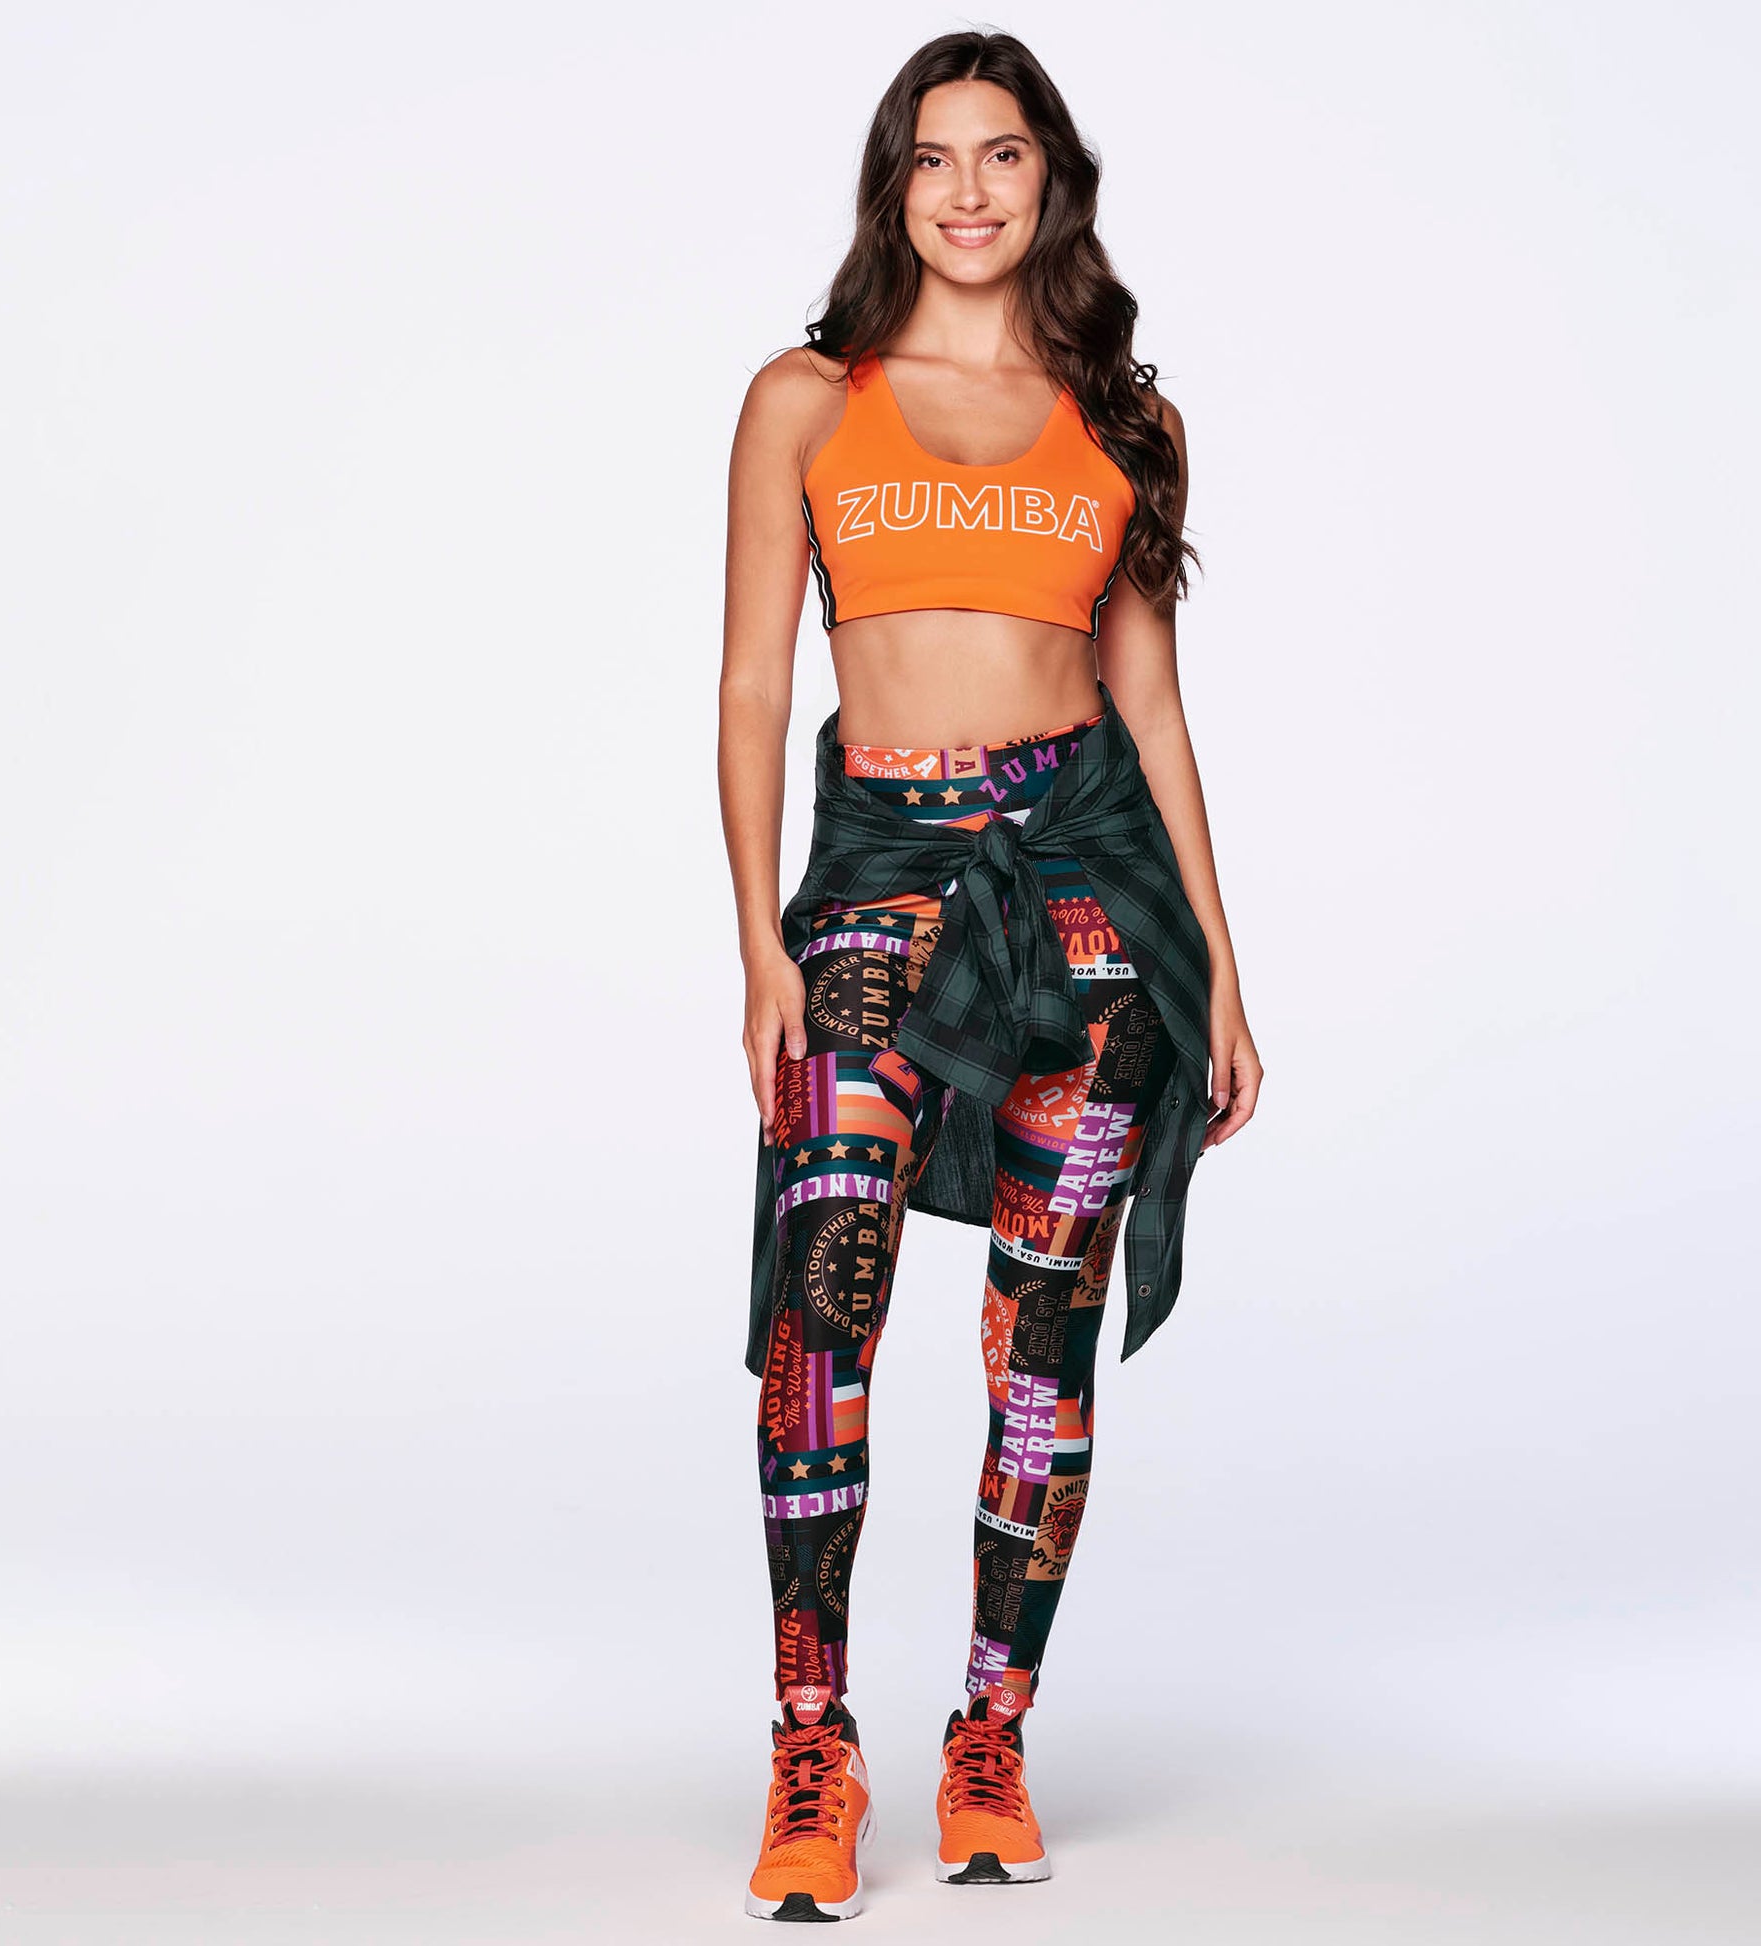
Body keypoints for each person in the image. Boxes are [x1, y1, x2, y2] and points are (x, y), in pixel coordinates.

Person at [718, 29, 1262, 1923]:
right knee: (821, 1314)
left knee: (1043, 1341)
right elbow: (754, 681)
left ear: (1052, 182)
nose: (967, 191)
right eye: (933, 157)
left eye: (1003, 155)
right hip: (876, 884)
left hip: (1090, 903)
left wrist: (1224, 977)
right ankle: (811, 1737)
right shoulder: (804, 399)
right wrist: (758, 939)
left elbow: (1154, 713)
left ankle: (990, 1733)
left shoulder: (1124, 421)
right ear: (893, 186)